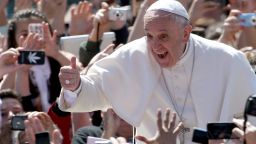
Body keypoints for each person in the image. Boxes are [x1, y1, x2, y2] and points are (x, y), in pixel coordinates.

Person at [58, 0, 256, 143]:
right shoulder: (134, 55)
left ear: (186, 33)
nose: (155, 45)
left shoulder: (227, 60)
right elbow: (95, 90)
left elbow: (250, 119)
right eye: (149, 36)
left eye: (163, 36)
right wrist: (75, 85)